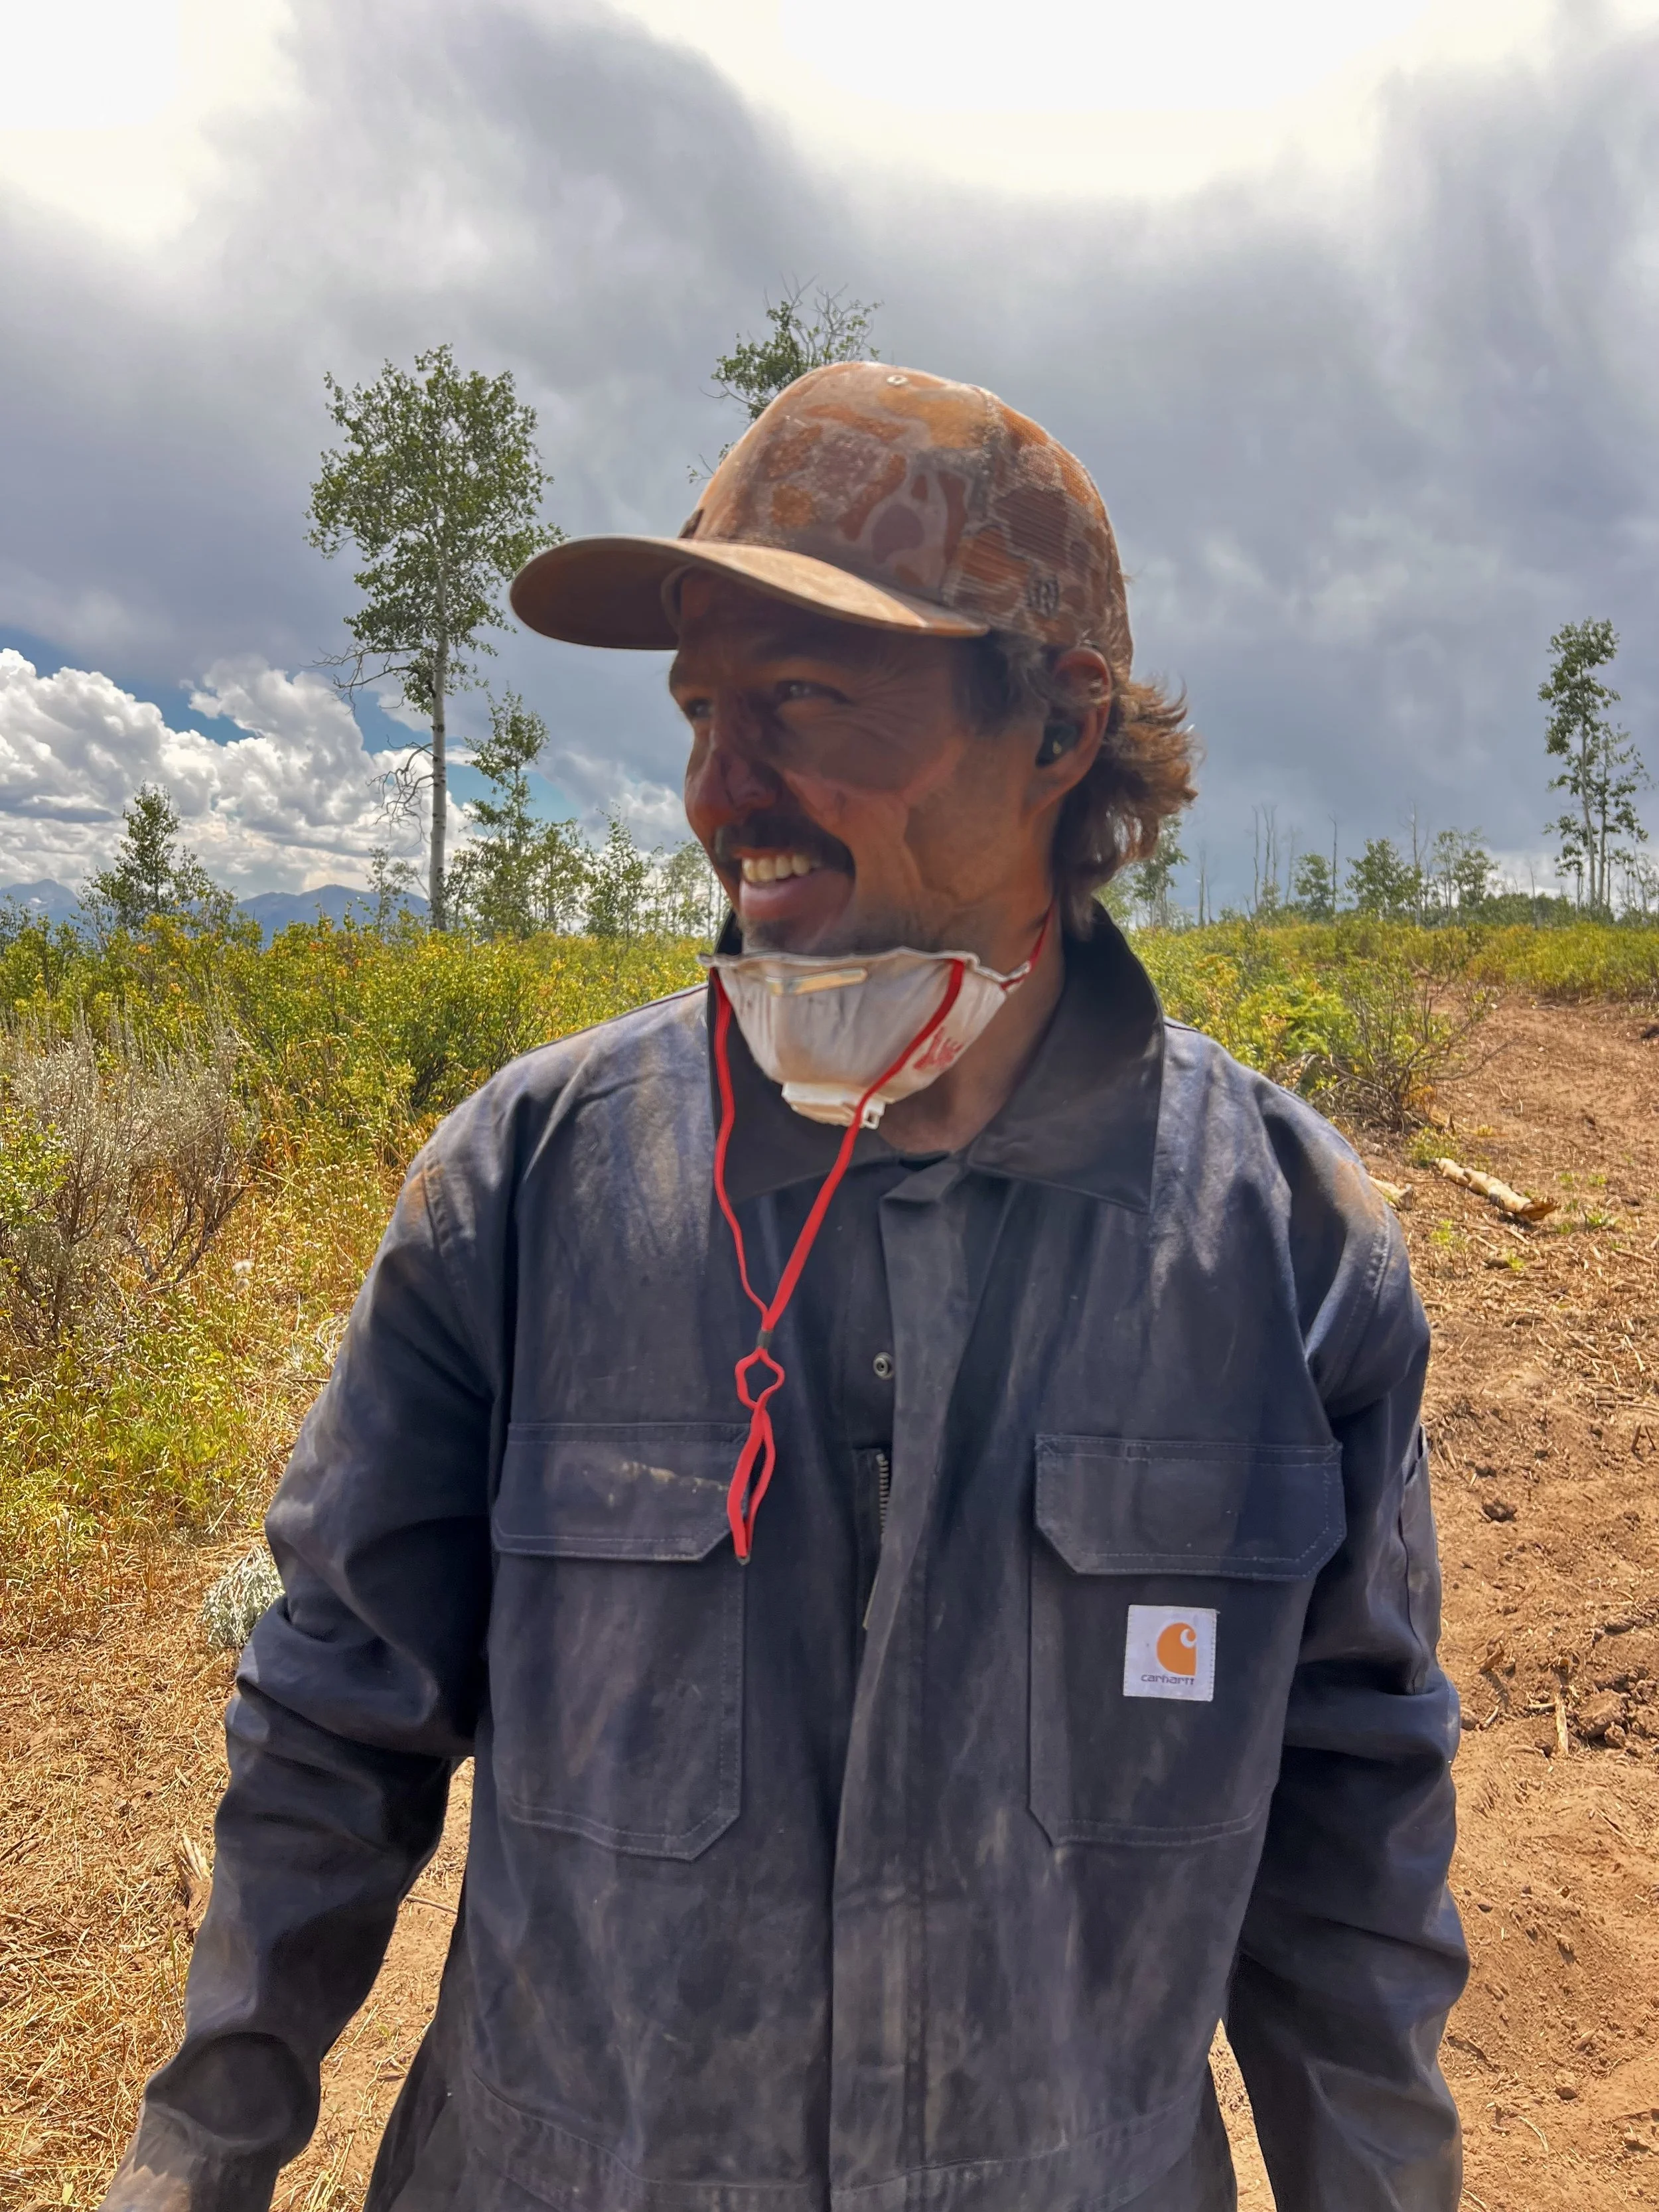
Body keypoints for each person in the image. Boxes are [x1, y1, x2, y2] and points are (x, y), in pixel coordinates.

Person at [102, 363, 1467, 2212]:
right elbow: (332, 1724)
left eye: (803, 702)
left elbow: (1349, 1834)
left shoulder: (1283, 1253)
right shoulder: (528, 1186)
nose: (723, 792)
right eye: (701, 715)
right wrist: (194, 2162)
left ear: (1059, 727)